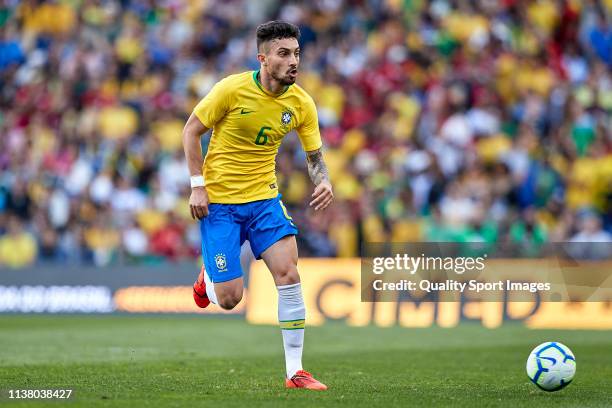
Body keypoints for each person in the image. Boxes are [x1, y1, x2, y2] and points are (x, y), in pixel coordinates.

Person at [182, 21, 333, 391]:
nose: (293, 61)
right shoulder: (230, 90)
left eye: (297, 53)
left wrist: (323, 180)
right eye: (284, 53)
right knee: (231, 299)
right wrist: (197, 187)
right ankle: (208, 278)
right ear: (263, 58)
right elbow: (190, 131)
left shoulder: (301, 103)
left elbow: (314, 155)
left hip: (265, 200)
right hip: (220, 204)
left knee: (289, 274)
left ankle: (295, 371)